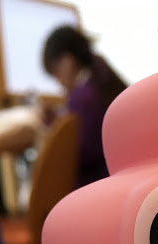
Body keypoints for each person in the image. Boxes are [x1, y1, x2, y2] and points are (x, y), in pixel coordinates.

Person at [42, 26, 127, 188]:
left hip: (98, 187)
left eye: (56, 72)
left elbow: (73, 154)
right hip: (118, 180)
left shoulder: (83, 97)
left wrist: (50, 125)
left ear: (67, 62)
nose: (58, 81)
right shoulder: (103, 79)